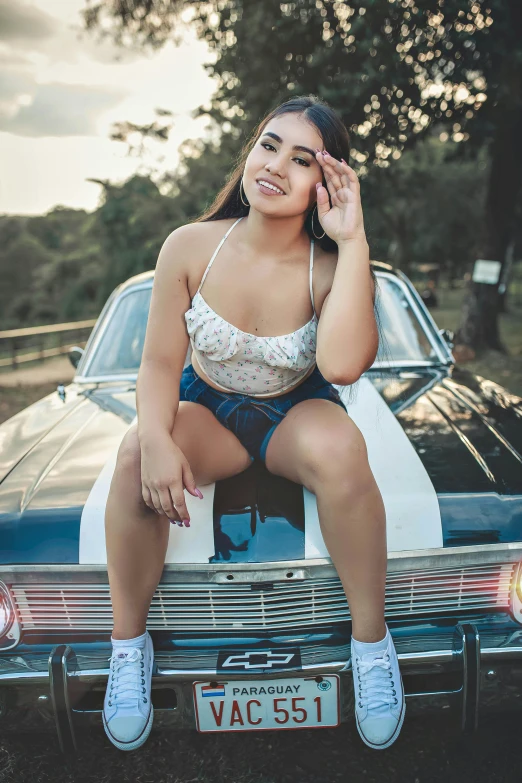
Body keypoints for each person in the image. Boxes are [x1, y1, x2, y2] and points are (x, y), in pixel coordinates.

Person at [102, 95, 405, 752]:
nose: (275, 166)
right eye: (268, 145)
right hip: (207, 414)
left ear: (324, 184)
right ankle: (128, 649)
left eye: (302, 160)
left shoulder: (330, 268)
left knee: (343, 446)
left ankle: (371, 644)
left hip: (294, 417)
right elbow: (158, 361)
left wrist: (353, 240)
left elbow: (345, 365)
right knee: (131, 456)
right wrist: (156, 438)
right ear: (249, 151)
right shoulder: (188, 246)